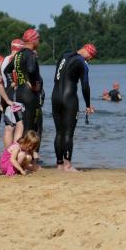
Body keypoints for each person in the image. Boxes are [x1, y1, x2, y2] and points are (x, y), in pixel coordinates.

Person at [51, 43, 96, 172]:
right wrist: (88, 105)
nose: (90, 59)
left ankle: (59, 165)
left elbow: (56, 77)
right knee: (68, 133)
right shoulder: (82, 63)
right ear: (88, 52)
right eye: (91, 56)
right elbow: (85, 85)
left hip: (55, 97)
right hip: (69, 99)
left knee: (59, 132)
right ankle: (68, 165)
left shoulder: (63, 56)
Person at [4, 29, 43, 136]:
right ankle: (27, 147)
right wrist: (34, 85)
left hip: (19, 94)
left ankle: (21, 146)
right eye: (38, 39)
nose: (39, 41)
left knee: (24, 126)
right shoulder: (30, 54)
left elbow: (7, 71)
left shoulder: (18, 54)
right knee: (32, 128)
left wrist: (14, 82)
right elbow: (31, 70)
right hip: (30, 95)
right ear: (33, 40)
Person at [0, 39, 25, 149]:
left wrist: (1, 100)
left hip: (6, 94)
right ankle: (15, 153)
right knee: (20, 125)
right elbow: (15, 78)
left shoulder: (4, 59)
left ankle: (7, 153)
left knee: (8, 126)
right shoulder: (16, 60)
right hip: (15, 96)